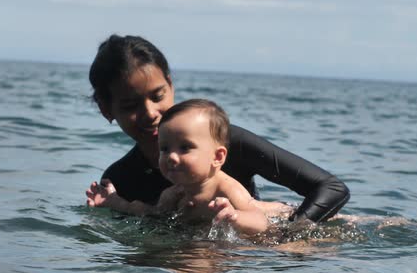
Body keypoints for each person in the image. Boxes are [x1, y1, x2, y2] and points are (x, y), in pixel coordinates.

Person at [85, 34, 350, 223]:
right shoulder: (121, 181)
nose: (150, 113)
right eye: (131, 105)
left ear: (171, 85)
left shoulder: (227, 141)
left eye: (157, 95)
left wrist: (289, 238)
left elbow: (330, 189)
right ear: (106, 109)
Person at [88, 99, 271, 235]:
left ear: (217, 156)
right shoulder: (172, 193)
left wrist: (235, 216)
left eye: (185, 148)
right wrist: (114, 202)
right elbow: (148, 213)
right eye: (165, 149)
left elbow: (261, 222)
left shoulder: (226, 189)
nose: (171, 157)